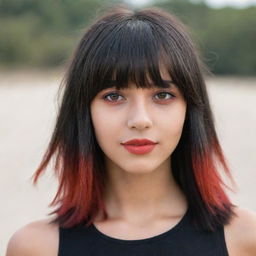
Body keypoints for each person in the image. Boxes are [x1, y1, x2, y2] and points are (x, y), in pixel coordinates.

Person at [6, 4, 256, 256]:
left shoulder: (244, 238)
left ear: (190, 108)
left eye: (163, 95)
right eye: (114, 96)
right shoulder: (35, 247)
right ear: (83, 110)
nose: (140, 120)